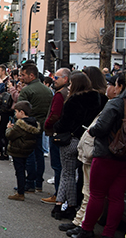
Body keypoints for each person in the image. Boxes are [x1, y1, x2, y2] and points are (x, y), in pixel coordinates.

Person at [71, 71, 126, 238]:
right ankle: (108, 236)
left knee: (97, 194)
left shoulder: (116, 103)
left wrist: (92, 132)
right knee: (117, 197)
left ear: (120, 86)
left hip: (107, 154)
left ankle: (87, 229)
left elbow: (100, 127)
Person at [51, 71, 107, 220]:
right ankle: (61, 204)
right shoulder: (101, 98)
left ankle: (68, 205)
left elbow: (64, 122)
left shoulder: (73, 100)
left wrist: (56, 127)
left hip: (72, 140)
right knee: (81, 176)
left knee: (67, 174)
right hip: (90, 140)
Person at [18, 64, 53, 192]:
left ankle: (30, 182)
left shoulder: (27, 90)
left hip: (28, 126)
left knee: (29, 155)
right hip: (41, 125)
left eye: (23, 75)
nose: (21, 78)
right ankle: (38, 182)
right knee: (39, 153)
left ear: (31, 75)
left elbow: (20, 109)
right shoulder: (47, 90)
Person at [41, 68, 69, 204]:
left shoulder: (60, 94)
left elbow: (54, 114)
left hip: (57, 133)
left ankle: (58, 194)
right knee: (64, 168)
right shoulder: (68, 92)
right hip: (66, 133)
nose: (54, 80)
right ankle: (62, 195)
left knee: (58, 166)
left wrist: (47, 125)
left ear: (65, 79)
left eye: (56, 78)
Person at [5, 101, 41, 200]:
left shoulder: (20, 125)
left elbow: (10, 135)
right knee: (28, 166)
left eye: (16, 112)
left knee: (19, 171)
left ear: (21, 112)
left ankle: (20, 192)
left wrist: (8, 128)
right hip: (28, 149)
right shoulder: (34, 123)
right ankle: (29, 184)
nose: (15, 114)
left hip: (18, 150)